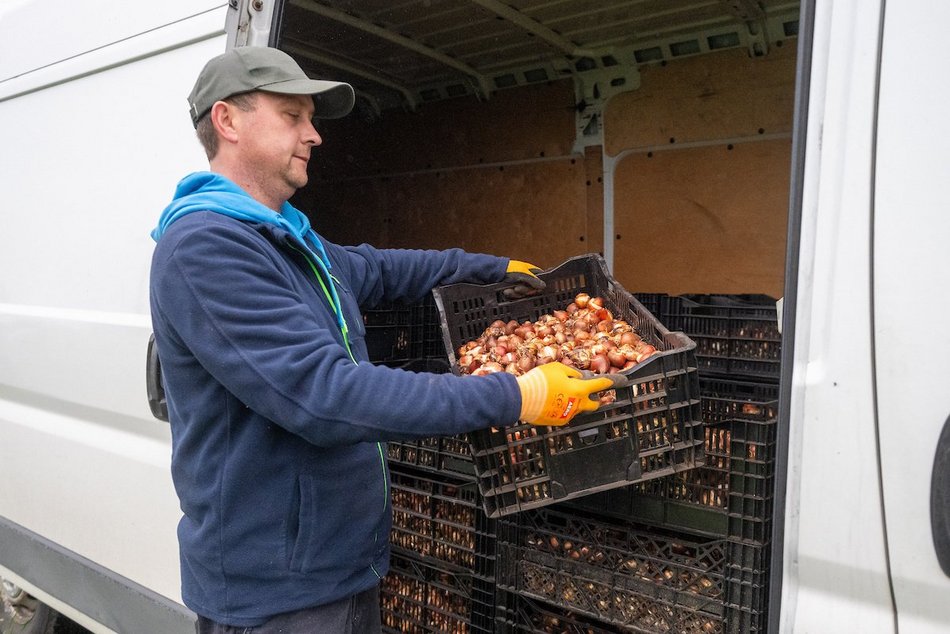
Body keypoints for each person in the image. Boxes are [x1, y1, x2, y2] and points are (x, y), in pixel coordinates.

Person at [149, 46, 617, 633]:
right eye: (292, 116)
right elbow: (325, 396)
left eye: (310, 119)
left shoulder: (286, 238)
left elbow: (379, 268)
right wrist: (516, 395)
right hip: (277, 595)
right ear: (228, 121)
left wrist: (491, 269)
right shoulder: (206, 249)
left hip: (338, 567)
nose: (314, 135)